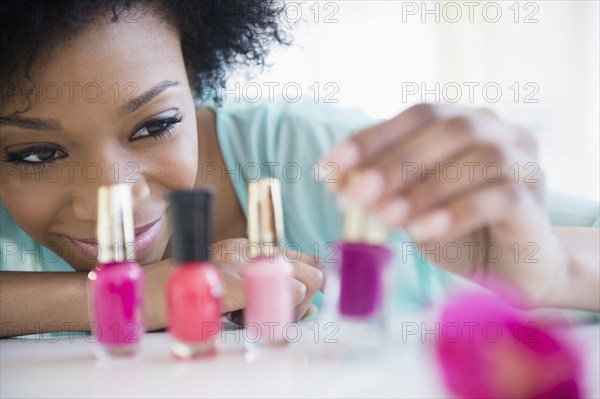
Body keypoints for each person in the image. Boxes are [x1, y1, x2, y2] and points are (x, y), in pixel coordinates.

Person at [1, 1, 598, 338]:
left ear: (198, 79)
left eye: (155, 125)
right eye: (34, 155)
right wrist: (130, 298)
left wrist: (552, 267)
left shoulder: (322, 161)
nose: (116, 195)